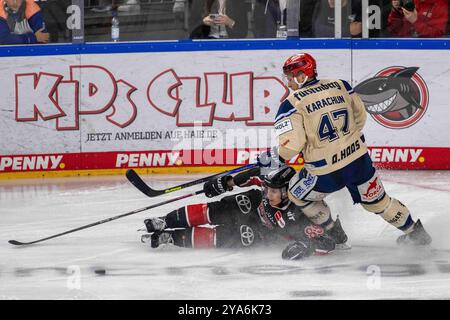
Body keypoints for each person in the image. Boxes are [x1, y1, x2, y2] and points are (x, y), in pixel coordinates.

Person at [259, 52, 432, 247]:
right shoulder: (341, 85)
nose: (288, 83)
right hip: (359, 161)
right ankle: (415, 233)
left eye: (290, 78)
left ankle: (334, 231)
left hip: (325, 172)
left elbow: (292, 146)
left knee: (296, 194)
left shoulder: (290, 104)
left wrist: (274, 156)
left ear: (302, 76)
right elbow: (360, 117)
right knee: (378, 202)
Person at [140, 166, 345, 260]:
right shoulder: (267, 189)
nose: (268, 193)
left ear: (286, 192)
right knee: (216, 209)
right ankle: (164, 221)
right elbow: (254, 175)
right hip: (255, 206)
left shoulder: (299, 214)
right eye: (268, 189)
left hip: (265, 232)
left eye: (273, 191)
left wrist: (307, 247)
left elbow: (327, 242)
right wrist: (225, 183)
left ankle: (170, 237)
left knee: (222, 237)